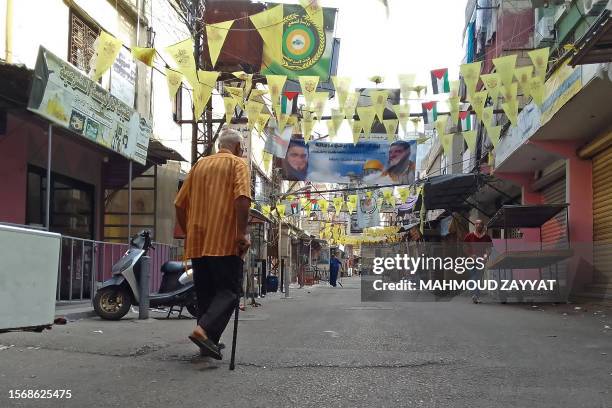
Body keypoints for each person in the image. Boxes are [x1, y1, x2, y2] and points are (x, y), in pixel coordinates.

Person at [174, 127, 251, 360]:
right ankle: (203, 330)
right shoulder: (238, 165)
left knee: (206, 293)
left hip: (198, 242)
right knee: (228, 292)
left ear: (220, 145)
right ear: (238, 147)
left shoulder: (198, 166)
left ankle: (207, 342)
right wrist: (241, 233)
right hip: (224, 240)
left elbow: (179, 204)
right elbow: (242, 199)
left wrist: (190, 231)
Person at [464, 219, 493, 304]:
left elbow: (489, 249)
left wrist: (486, 256)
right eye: (477, 224)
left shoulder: (486, 237)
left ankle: (475, 295)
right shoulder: (469, 236)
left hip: (481, 260)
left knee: (478, 278)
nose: (478, 225)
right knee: (474, 277)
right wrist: (470, 255)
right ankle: (475, 295)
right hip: (471, 260)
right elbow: (464, 248)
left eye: (480, 224)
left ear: (483, 226)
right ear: (475, 225)